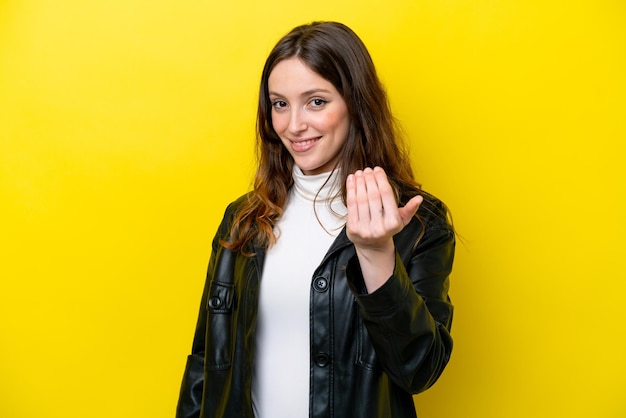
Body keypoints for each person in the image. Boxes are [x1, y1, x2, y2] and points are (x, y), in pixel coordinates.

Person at [176, 21, 455, 418]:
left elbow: (419, 370)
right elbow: (206, 363)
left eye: (316, 102)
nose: (294, 125)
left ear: (355, 103)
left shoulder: (418, 222)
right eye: (280, 104)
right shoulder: (243, 219)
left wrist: (376, 254)